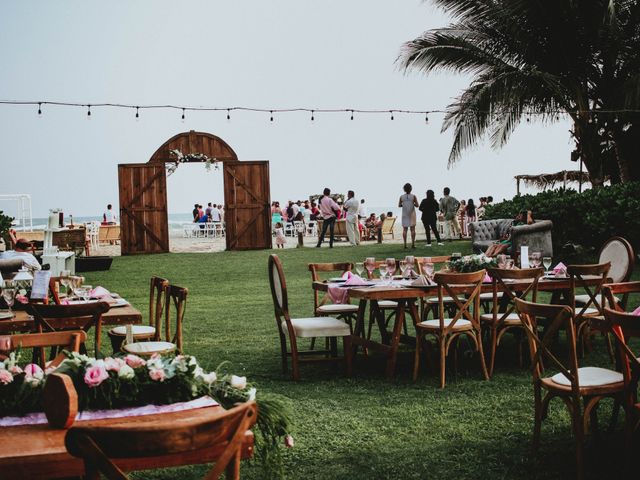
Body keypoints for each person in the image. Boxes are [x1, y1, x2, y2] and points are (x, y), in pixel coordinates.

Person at [398, 183, 419, 249]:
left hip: (404, 214)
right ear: (411, 189)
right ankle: (413, 244)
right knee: (412, 229)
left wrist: (404, 205)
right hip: (412, 214)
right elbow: (417, 205)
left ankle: (405, 244)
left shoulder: (401, 197)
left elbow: (399, 205)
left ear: (404, 189)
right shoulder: (413, 196)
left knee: (405, 229)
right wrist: (412, 203)